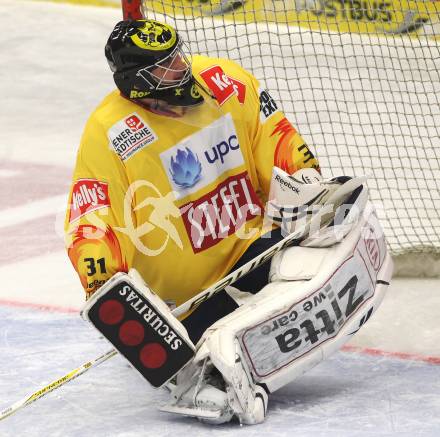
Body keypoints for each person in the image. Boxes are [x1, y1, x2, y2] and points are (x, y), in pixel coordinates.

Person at [65, 19, 392, 425]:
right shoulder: (110, 132)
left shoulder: (224, 82)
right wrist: (100, 280)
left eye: (176, 56)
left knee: (310, 261)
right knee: (214, 365)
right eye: (163, 68)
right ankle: (199, 366)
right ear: (136, 82)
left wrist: (305, 179)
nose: (180, 69)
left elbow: (274, 137)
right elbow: (92, 215)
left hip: (252, 248)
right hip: (189, 296)